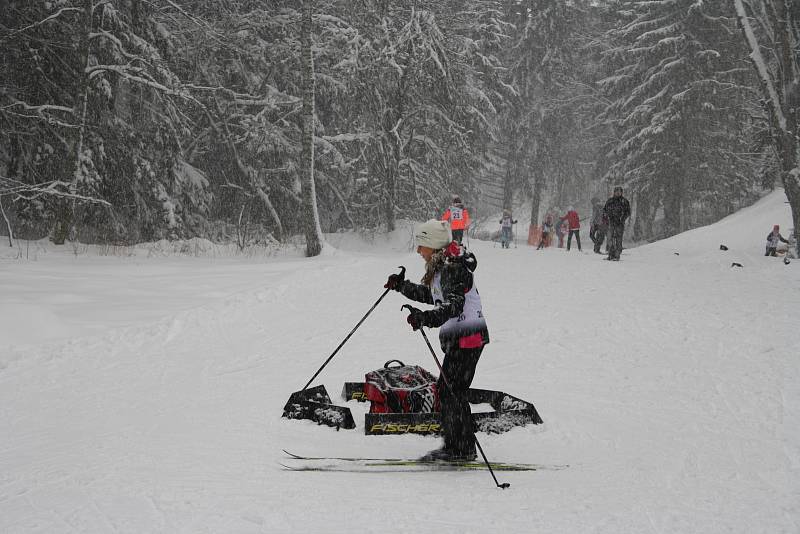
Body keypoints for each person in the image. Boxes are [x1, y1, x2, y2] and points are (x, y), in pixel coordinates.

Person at [383, 219, 489, 462]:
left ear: (432, 245)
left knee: (453, 392)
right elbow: (433, 296)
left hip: (468, 338)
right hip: (461, 338)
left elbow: (453, 305)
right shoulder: (443, 267)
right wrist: (401, 286)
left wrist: (425, 319)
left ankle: (460, 449)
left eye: (422, 245)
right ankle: (457, 446)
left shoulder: (453, 269)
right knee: (449, 391)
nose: (419, 251)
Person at [603, 186, 631, 261]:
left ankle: (617, 255)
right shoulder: (610, 201)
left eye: (619, 192)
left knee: (618, 239)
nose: (618, 193)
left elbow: (628, 212)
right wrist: (606, 218)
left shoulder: (624, 201)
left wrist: (622, 219)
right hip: (611, 223)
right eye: (616, 191)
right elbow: (604, 210)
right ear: (614, 192)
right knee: (609, 239)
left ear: (621, 193)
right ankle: (610, 254)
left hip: (620, 223)